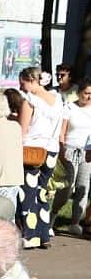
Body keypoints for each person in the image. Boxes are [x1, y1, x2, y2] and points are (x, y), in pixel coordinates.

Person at [17, 66, 65, 249]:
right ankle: (44, 234)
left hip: (32, 150)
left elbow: (23, 129)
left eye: (22, 83)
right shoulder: (57, 99)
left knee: (28, 193)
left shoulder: (30, 100)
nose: (21, 87)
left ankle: (30, 235)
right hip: (51, 150)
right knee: (42, 192)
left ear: (31, 80)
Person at [57, 79, 91, 234]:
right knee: (67, 188)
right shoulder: (69, 107)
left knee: (83, 187)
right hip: (70, 150)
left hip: (87, 152)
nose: (89, 97)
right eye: (86, 93)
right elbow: (62, 132)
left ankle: (75, 222)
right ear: (79, 93)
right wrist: (61, 149)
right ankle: (52, 215)